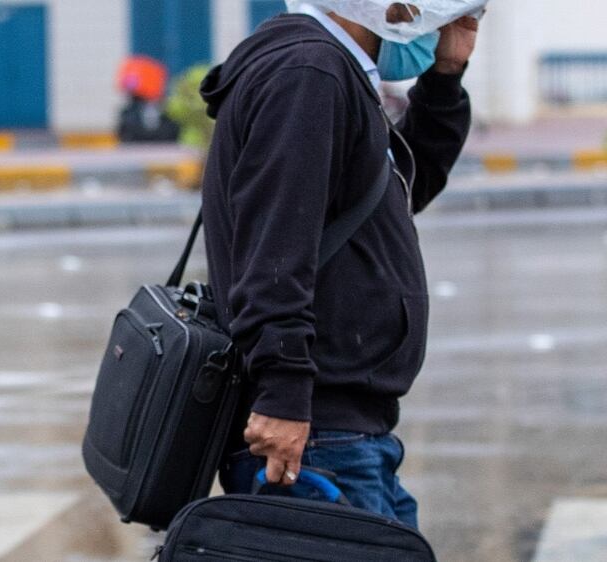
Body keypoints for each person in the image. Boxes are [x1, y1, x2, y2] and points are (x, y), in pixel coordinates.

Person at [198, 1, 480, 529]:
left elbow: (393, 195)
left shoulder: (327, 67)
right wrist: (283, 396)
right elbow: (275, 251)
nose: (434, 19)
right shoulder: (308, 72)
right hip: (316, 434)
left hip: (342, 431)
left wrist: (445, 77)